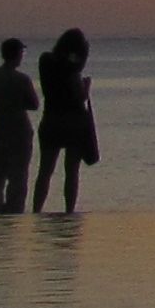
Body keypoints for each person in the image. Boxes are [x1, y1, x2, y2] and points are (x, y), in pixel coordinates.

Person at [34, 28, 99, 215]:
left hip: (51, 119)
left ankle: (37, 210)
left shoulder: (46, 61)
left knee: (45, 171)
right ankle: (69, 211)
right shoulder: (72, 71)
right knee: (71, 171)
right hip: (74, 122)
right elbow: (79, 97)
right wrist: (86, 86)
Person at [0, 38, 39, 213]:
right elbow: (34, 104)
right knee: (18, 179)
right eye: (21, 53)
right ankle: (14, 213)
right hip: (19, 134)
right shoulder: (22, 79)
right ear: (16, 55)